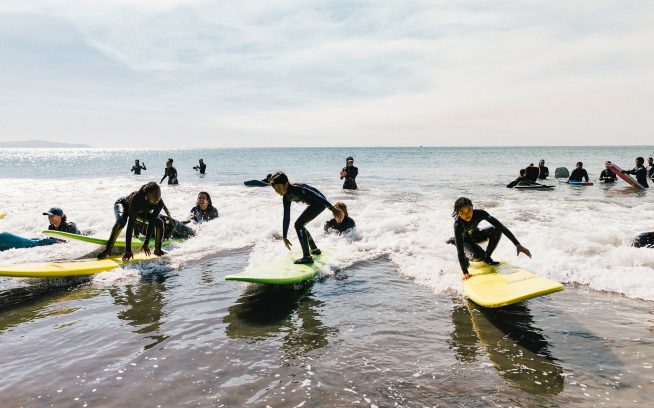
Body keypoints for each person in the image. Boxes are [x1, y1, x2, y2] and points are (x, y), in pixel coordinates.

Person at [447, 197, 532, 279]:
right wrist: (465, 272)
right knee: (478, 256)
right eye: (462, 212)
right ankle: (454, 241)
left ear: (472, 208)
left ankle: (487, 258)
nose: (466, 214)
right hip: (464, 240)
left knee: (496, 230)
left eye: (469, 210)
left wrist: (517, 244)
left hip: (475, 235)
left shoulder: (480, 213)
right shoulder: (458, 225)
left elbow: (501, 227)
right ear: (458, 213)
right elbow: (460, 251)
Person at [270, 171, 343, 264]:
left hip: (320, 202)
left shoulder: (298, 189)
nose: (277, 191)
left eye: (279, 187)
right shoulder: (286, 198)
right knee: (300, 224)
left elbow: (317, 195)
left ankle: (307, 257)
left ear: (286, 184)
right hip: (314, 204)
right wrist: (284, 236)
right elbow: (286, 217)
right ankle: (314, 249)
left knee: (298, 225)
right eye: (275, 189)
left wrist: (331, 207)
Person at [97, 182, 166, 260]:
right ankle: (107, 251)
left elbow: (152, 222)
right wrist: (128, 251)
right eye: (154, 196)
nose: (158, 198)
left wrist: (146, 243)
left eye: (159, 195)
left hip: (140, 211)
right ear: (147, 196)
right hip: (123, 205)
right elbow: (130, 227)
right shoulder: (137, 200)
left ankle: (157, 249)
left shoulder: (159, 202)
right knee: (121, 222)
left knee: (159, 222)